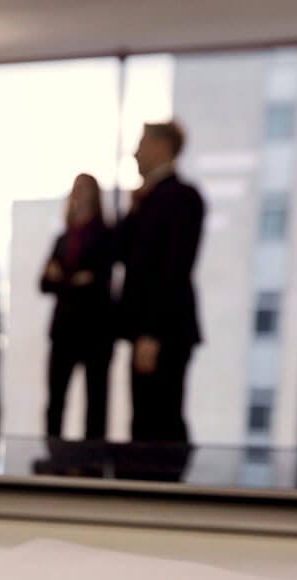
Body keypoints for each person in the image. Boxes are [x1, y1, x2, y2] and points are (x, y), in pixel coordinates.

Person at [118, 120, 205, 444]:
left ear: (161, 146)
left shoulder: (182, 197)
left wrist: (152, 333)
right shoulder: (148, 199)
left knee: (161, 421)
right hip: (147, 330)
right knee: (144, 420)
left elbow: (173, 269)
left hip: (164, 331)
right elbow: (123, 251)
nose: (136, 153)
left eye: (142, 144)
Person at [39, 174, 116, 440]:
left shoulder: (105, 236)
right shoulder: (63, 238)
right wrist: (75, 280)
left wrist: (64, 278)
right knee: (55, 402)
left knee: (96, 403)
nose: (78, 195)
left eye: (83, 189)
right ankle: (52, 459)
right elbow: (44, 283)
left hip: (96, 331)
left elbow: (97, 282)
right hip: (64, 330)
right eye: (75, 190)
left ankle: (92, 465)